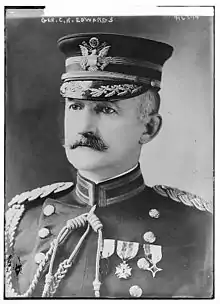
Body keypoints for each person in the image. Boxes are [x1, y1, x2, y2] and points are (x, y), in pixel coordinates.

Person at [5, 33, 213, 298]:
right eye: (76, 107)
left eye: (106, 109)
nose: (83, 127)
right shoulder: (20, 221)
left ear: (149, 128)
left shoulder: (198, 230)